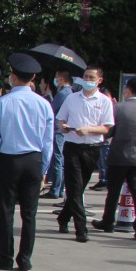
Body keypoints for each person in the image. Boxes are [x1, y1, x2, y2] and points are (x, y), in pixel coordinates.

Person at [0, 54, 55, 271]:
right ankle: (25, 258)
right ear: (33, 77)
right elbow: (48, 141)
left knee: (5, 210)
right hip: (33, 160)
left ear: (12, 77)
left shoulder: (2, 103)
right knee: (29, 213)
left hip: (9, 160)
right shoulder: (44, 105)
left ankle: (5, 257)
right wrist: (44, 168)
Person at [55, 66, 114, 242]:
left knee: (79, 187)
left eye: (91, 77)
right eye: (86, 77)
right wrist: (64, 127)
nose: (88, 80)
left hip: (92, 147)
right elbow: (60, 120)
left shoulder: (104, 101)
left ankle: (64, 217)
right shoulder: (72, 98)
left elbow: (106, 127)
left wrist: (88, 130)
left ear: (99, 80)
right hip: (72, 146)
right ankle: (81, 228)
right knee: (74, 188)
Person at [93, 77, 136, 239]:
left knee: (113, 192)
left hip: (119, 155)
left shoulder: (118, 108)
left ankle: (108, 222)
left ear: (127, 90)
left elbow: (109, 132)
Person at [44, 69, 75, 198]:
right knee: (60, 160)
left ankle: (55, 189)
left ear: (62, 79)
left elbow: (51, 109)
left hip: (58, 130)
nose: (55, 80)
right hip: (62, 130)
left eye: (57, 77)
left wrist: (48, 96)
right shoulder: (69, 92)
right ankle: (59, 188)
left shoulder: (63, 93)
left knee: (57, 160)